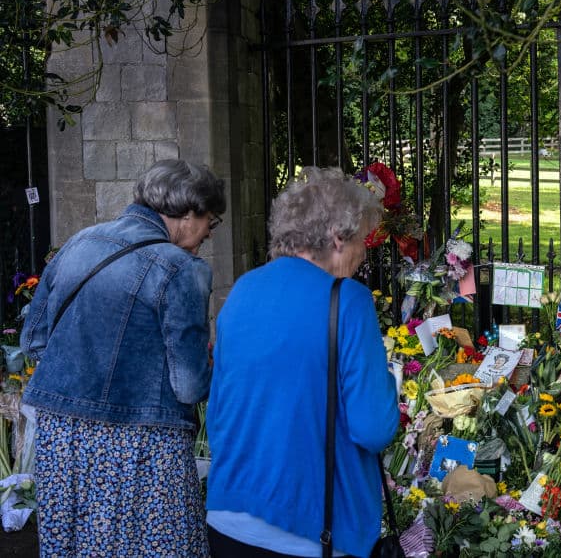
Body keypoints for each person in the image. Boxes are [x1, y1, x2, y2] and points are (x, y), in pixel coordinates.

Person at [20, 158, 226, 557]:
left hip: (62, 437)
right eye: (210, 222)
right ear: (188, 212)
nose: (208, 233)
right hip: (143, 441)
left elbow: (34, 340)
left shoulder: (79, 243)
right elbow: (189, 385)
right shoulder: (181, 268)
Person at [206, 167, 399, 558]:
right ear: (337, 237)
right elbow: (373, 428)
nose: (364, 253)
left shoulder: (243, 289)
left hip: (227, 518)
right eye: (362, 240)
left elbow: (220, 409)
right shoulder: (349, 300)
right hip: (311, 529)